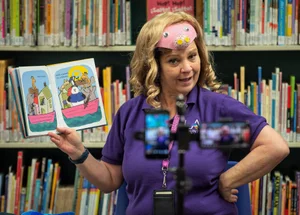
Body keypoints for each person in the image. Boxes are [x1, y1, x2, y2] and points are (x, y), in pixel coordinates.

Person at [48, 11, 290, 214]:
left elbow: (274, 147)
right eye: (174, 61)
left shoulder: (216, 112)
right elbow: (110, 180)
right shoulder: (132, 114)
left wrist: (229, 179)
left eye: (192, 57)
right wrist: (78, 153)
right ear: (153, 67)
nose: (187, 68)